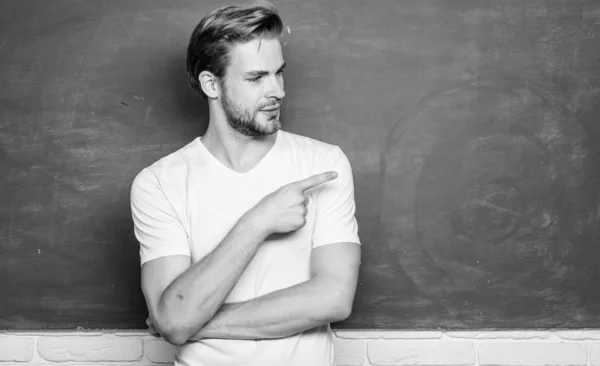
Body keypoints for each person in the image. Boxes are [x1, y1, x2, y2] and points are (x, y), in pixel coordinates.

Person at [129, 2, 361, 365]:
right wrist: (258, 222)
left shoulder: (323, 164)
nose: (278, 91)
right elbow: (174, 320)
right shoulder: (159, 184)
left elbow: (334, 297)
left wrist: (197, 323)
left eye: (279, 73)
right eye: (256, 78)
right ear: (211, 84)